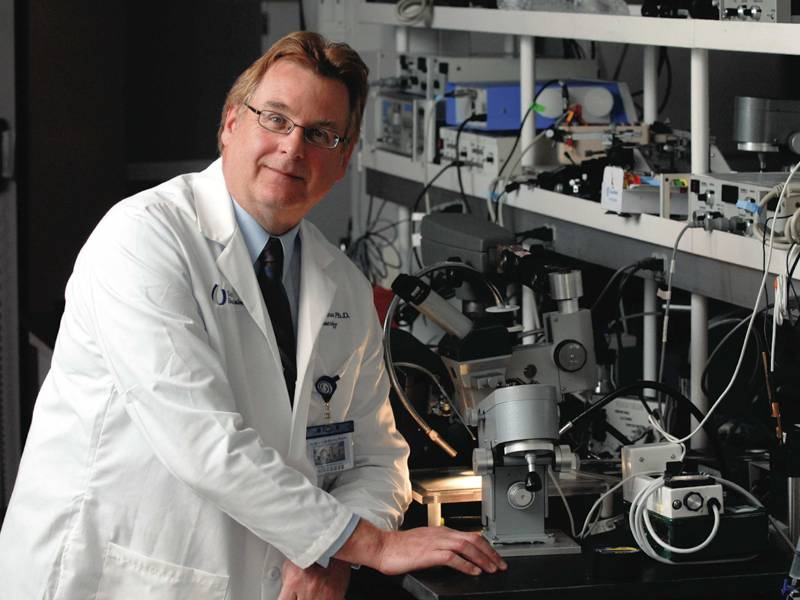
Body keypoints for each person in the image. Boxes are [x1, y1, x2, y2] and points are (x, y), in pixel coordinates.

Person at [0, 31, 506, 600]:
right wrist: (367, 544)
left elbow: (378, 458)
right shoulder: (142, 237)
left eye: (321, 134)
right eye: (275, 119)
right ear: (229, 125)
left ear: (342, 160)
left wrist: (332, 551)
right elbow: (201, 440)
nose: (293, 149)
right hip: (116, 575)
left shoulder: (341, 284)